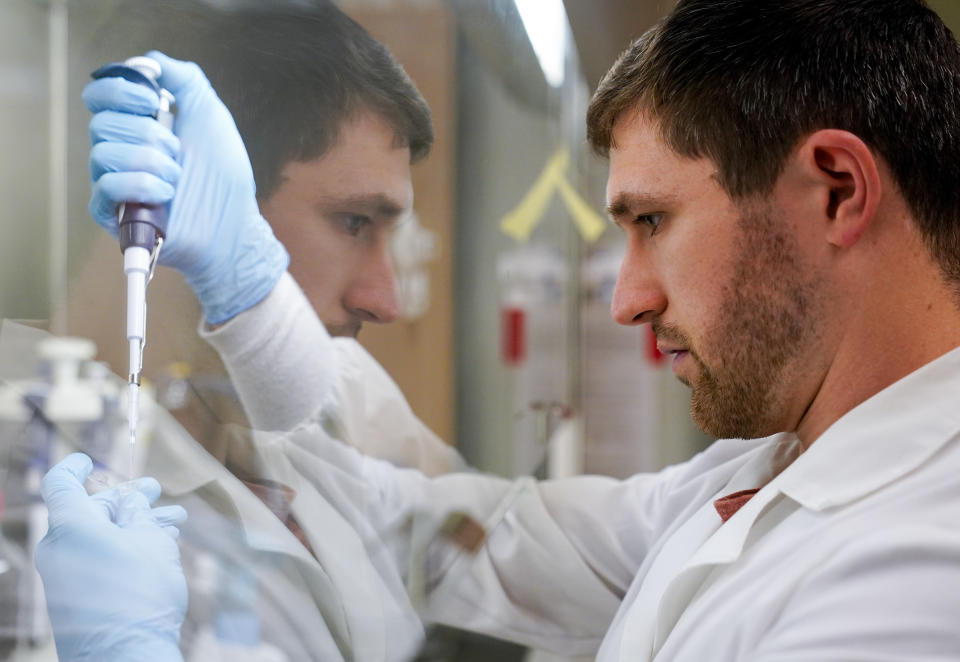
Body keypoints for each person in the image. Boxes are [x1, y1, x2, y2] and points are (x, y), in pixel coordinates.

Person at [40, 0, 960, 660]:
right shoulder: (769, 471)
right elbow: (461, 527)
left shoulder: (916, 571)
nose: (625, 300)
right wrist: (253, 305)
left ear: (836, 190)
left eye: (652, 222)